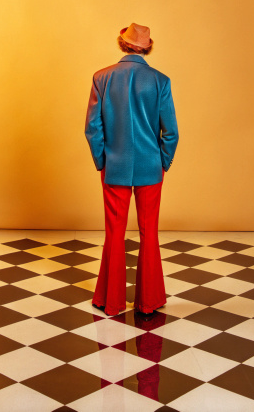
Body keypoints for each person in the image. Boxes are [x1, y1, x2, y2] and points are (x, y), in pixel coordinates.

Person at [84, 22, 179, 316]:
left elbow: (92, 128)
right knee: (149, 231)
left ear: (122, 44)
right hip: (151, 166)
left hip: (115, 165)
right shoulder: (160, 80)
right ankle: (149, 301)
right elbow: (171, 132)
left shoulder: (102, 77)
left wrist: (103, 161)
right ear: (147, 47)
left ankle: (110, 301)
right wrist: (162, 161)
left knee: (115, 231)